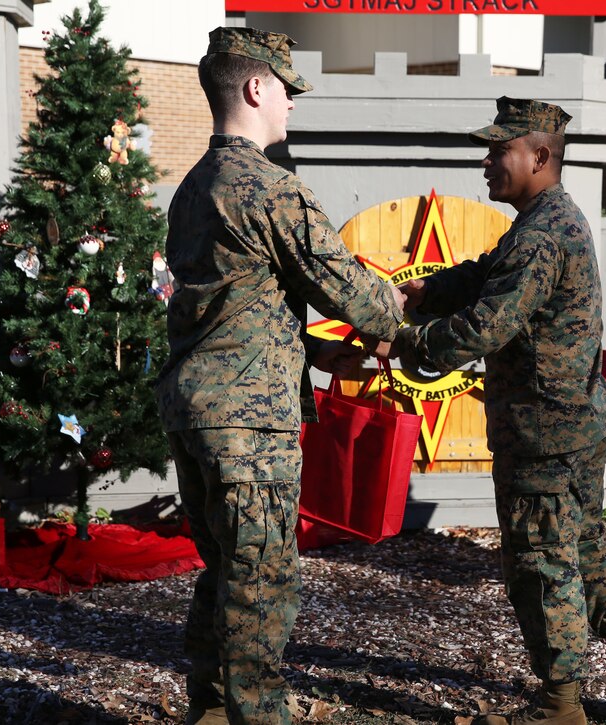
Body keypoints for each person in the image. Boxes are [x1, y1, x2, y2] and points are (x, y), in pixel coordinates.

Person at [381, 96, 606, 724]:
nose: (487, 162)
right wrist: (429, 289)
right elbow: (490, 274)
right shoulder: (548, 221)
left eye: (499, 150)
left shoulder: (542, 234)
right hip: (575, 422)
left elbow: (483, 328)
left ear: (540, 156)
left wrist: (403, 339)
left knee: (541, 563)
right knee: (589, 546)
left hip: (543, 432)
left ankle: (560, 706)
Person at [155, 27, 405, 725]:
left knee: (225, 572)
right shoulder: (270, 188)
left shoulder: (195, 186)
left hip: (196, 409)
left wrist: (318, 355)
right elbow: (359, 296)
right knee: (262, 582)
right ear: (257, 87)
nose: (292, 103)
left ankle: (208, 709)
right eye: (287, 89)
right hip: (248, 423)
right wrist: (412, 312)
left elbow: (233, 303)